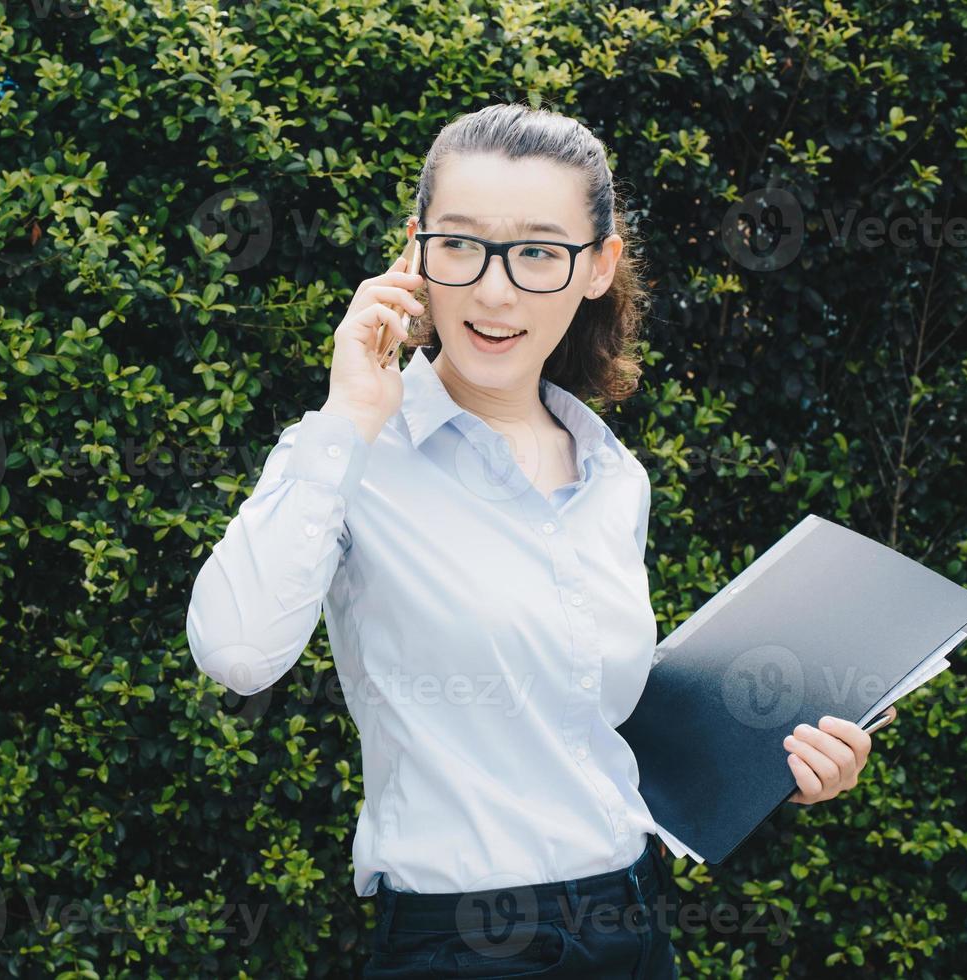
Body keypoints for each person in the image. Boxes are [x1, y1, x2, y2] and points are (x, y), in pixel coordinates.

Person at [186, 102, 886, 979]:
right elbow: (237, 654)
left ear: (598, 267)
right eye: (461, 244)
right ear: (415, 255)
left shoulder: (612, 474)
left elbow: (595, 724)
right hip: (458, 943)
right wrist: (348, 418)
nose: (493, 289)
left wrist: (784, 751)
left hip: (631, 922)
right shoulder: (350, 451)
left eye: (538, 252)